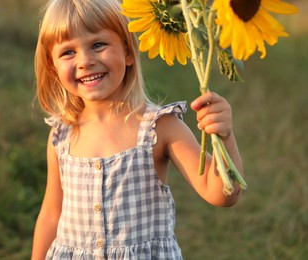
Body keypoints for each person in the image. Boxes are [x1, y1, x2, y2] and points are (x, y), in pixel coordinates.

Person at [31, 0, 243, 259]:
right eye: (68, 52)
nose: (85, 61)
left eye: (98, 45)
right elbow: (52, 216)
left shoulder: (160, 128)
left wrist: (224, 135)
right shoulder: (62, 135)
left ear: (129, 51)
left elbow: (221, 193)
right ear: (53, 66)